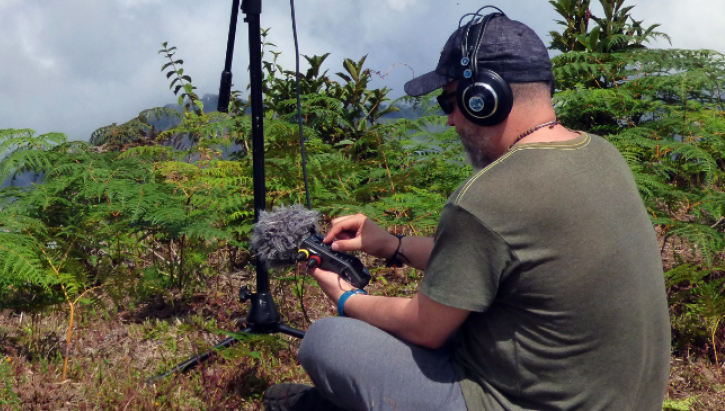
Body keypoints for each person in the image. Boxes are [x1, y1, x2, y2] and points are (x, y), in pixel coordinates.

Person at [264, 9, 670, 411]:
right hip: (621, 397)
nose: (450, 121)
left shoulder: (488, 195)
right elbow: (497, 254)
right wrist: (391, 245)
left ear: (484, 100)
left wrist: (345, 297)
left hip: (522, 401)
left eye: (449, 102)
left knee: (327, 341)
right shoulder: (600, 152)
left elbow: (424, 328)